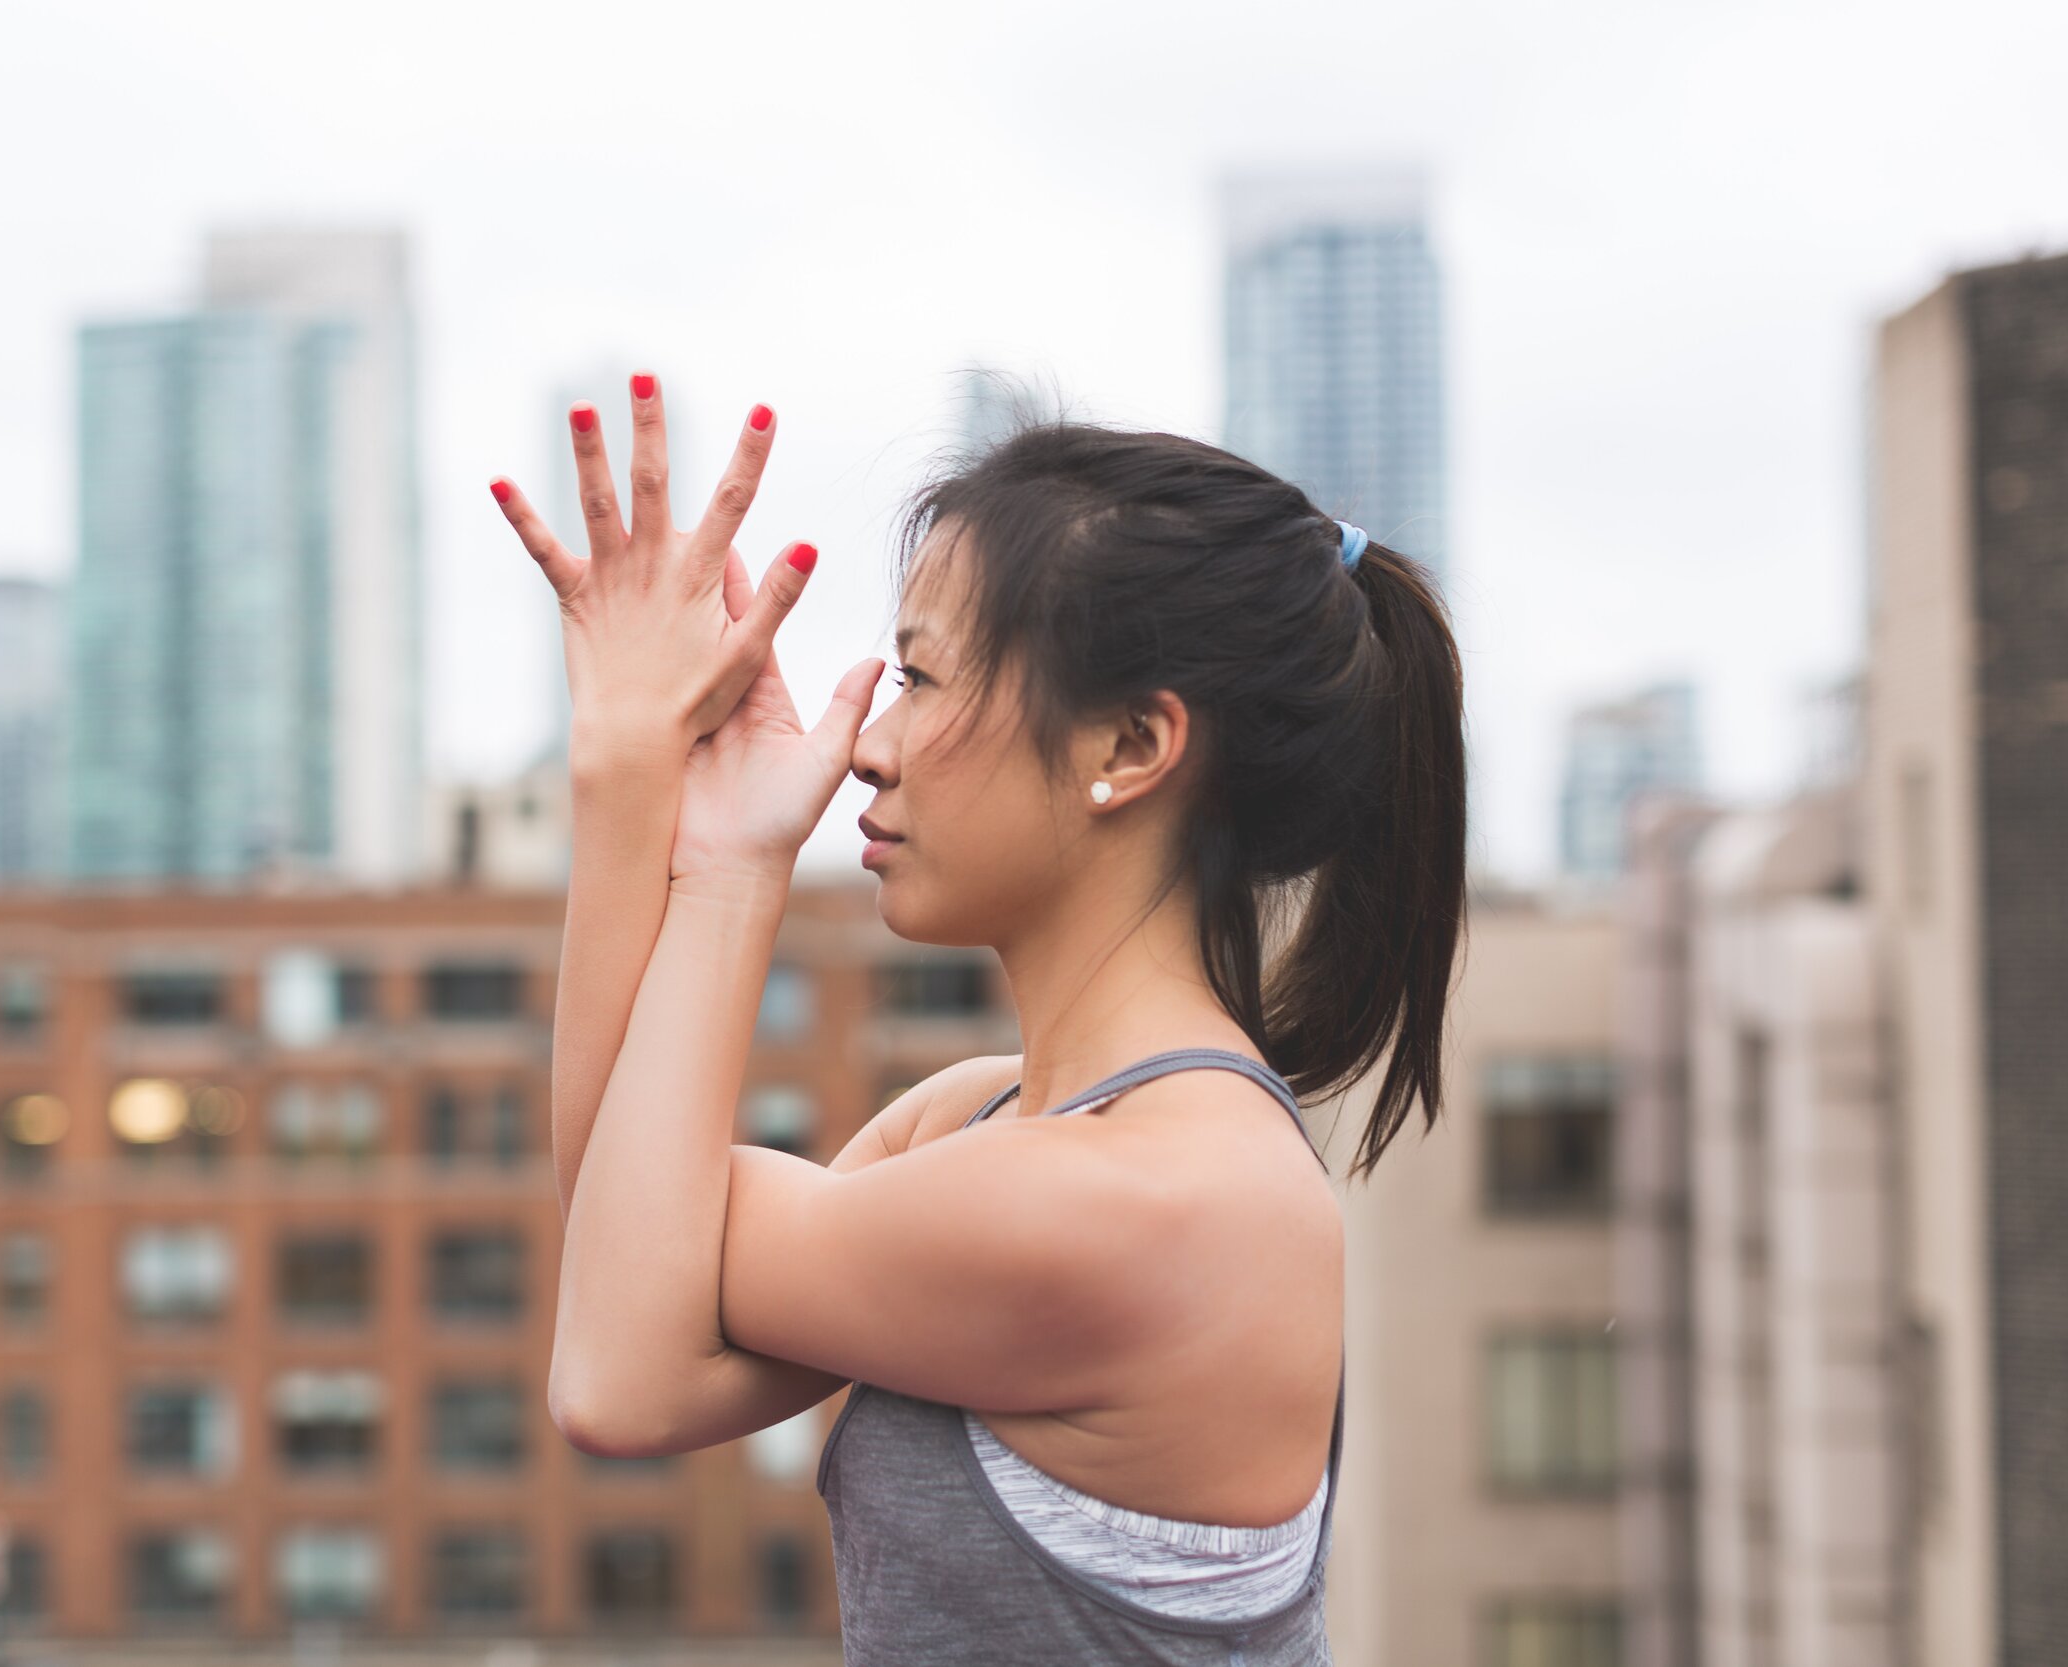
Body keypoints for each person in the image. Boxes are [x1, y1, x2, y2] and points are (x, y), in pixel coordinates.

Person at [487, 372, 1467, 1665]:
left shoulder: (1147, 1204)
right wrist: (638, 784)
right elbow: (636, 1264)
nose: (871, 744)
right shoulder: (979, 1122)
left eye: (923, 678)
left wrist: (714, 863)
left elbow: (612, 1373)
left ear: (1128, 747)